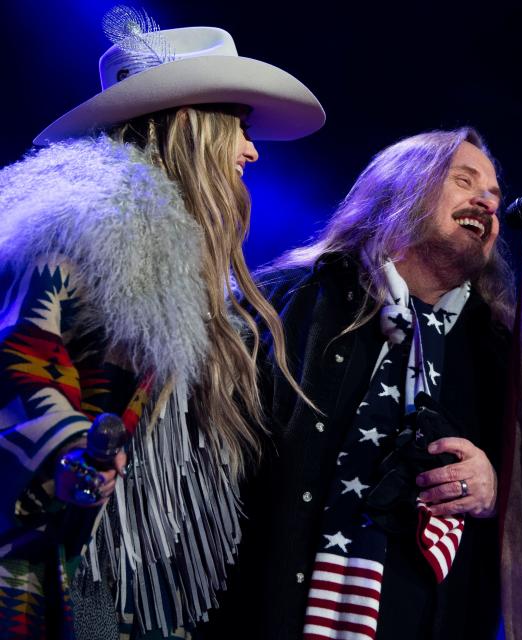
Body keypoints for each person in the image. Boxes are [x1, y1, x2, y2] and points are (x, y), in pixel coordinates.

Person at [0, 10, 325, 639]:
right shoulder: (84, 223)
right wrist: (72, 450)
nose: (253, 150)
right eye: (241, 127)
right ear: (188, 123)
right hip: (48, 562)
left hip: (119, 574)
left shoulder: (182, 256)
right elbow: (23, 353)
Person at [201, 127, 515, 640]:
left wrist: (495, 487)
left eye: (494, 196)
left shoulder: (498, 348)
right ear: (403, 190)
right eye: (464, 181)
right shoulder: (291, 302)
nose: (486, 201)